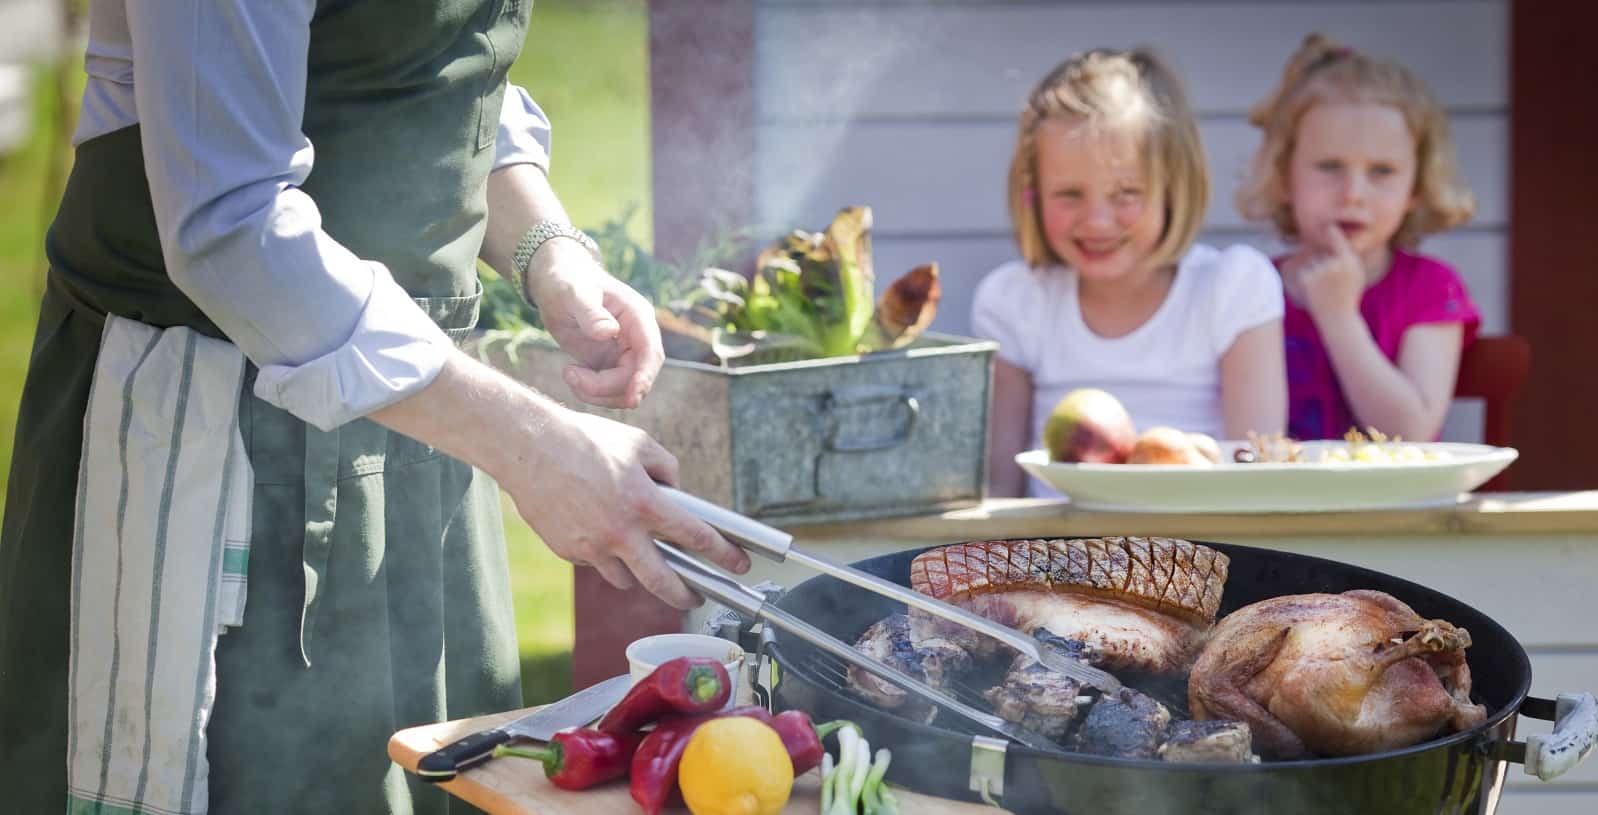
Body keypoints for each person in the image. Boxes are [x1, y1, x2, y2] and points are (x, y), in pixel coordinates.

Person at [0, 2, 750, 812]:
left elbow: (425, 79)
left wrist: (547, 253)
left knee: (446, 771)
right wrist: (533, 448)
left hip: (429, 424)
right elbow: (231, 224)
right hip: (212, 455)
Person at [973, 48, 1287, 497]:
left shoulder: (1231, 287)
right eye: (1068, 194)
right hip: (1059, 558)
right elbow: (999, 492)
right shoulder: (1016, 300)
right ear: (1033, 193)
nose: (1097, 221)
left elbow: (1258, 477)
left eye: (1125, 193)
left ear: (1173, 189)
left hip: (1206, 551)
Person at [1238, 34, 1480, 442]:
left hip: (1398, 505)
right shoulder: (1249, 288)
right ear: (1284, 175)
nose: (1353, 193)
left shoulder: (1431, 288)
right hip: (1278, 503)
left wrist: (1338, 315)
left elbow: (1412, 433)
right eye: (1330, 166)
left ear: (1416, 185)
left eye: (1382, 171)